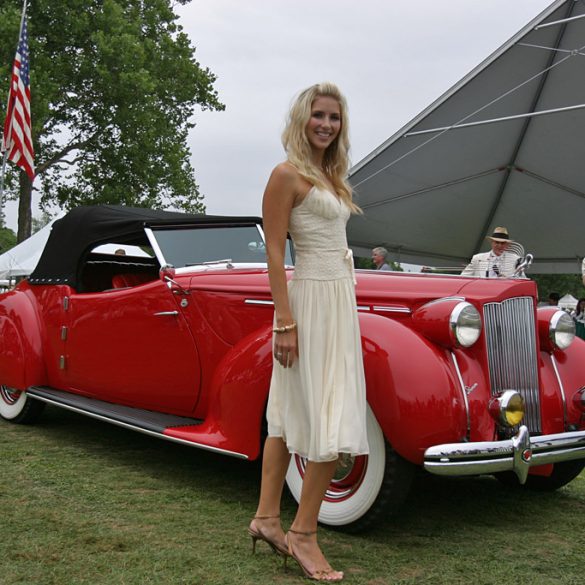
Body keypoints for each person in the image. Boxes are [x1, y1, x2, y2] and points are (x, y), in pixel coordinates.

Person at [248, 82, 368, 582]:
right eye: (319, 115)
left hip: (340, 298)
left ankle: (267, 518)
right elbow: (276, 253)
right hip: (309, 300)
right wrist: (285, 322)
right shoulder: (286, 175)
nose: (326, 124)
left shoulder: (331, 176)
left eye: (334, 118)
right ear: (303, 119)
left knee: (295, 410)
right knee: (323, 415)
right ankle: (303, 533)